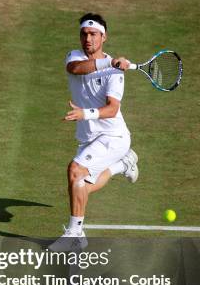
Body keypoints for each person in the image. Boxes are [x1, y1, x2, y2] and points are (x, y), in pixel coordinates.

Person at [49, 13, 139, 252]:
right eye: (84, 34)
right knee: (82, 187)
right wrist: (108, 63)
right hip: (88, 138)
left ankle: (75, 233)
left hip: (114, 137)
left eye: (93, 34)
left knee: (75, 170)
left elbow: (111, 110)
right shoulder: (75, 57)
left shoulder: (115, 73)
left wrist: (85, 114)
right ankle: (123, 165)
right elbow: (77, 69)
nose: (87, 39)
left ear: (104, 37)